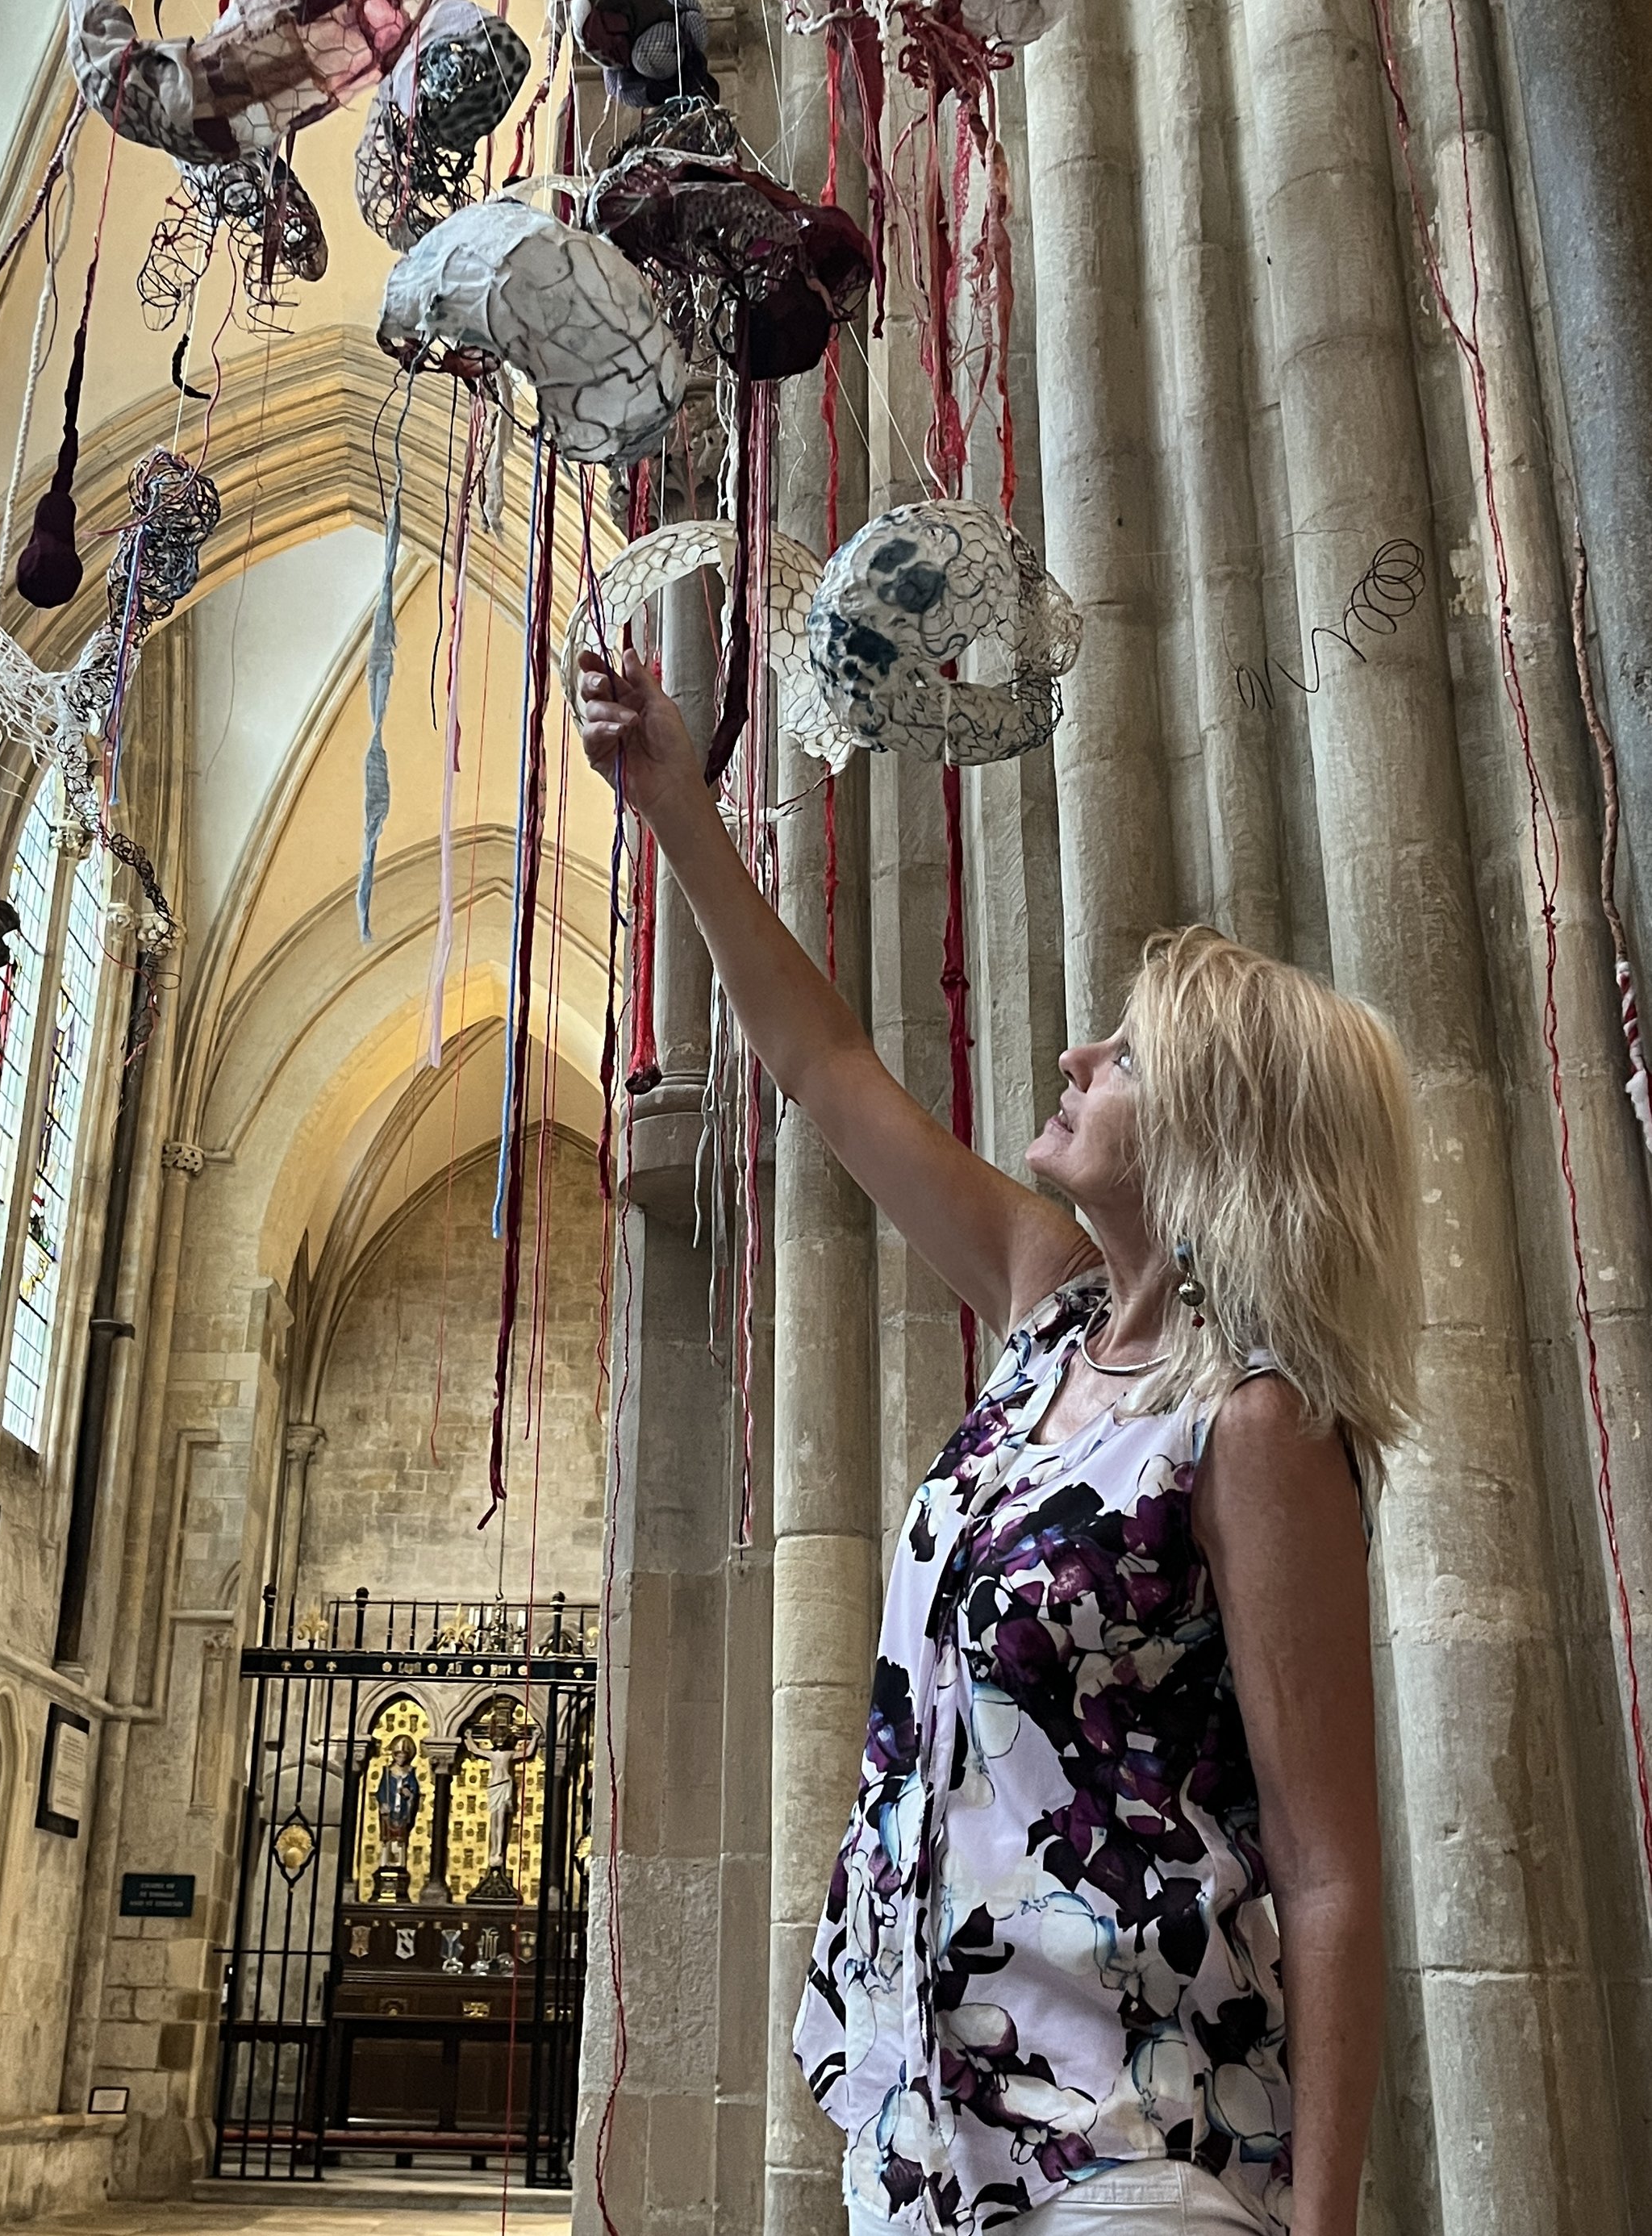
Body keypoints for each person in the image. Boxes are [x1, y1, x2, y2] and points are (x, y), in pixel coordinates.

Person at [578, 645, 1420, 2236]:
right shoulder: (1046, 1311)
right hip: (915, 2123)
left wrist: (1322, 2222)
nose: (1069, 1059)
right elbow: (826, 1071)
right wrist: (678, 808)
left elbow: (1324, 1867)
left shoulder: (1250, 1425)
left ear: (1215, 1128)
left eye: (1118, 1052)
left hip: (1125, 2142)